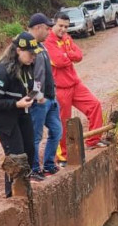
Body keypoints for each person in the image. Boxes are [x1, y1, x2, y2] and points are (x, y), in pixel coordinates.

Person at [43, 12, 106, 162]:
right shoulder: (48, 42)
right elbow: (59, 61)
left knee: (94, 105)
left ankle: (93, 141)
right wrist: (68, 54)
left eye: (66, 26)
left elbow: (79, 55)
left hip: (75, 83)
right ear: (53, 24)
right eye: (60, 26)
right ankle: (63, 156)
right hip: (60, 89)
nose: (63, 29)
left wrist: (67, 54)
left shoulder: (66, 38)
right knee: (63, 123)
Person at [0, 32, 38, 197]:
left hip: (22, 114)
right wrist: (16, 104)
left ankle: (24, 188)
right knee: (15, 156)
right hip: (5, 118)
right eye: (30, 53)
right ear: (18, 50)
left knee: (29, 150)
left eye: (35, 54)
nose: (33, 57)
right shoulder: (3, 70)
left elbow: (29, 87)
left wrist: (35, 96)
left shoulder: (26, 68)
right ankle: (12, 194)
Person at [26, 13, 62, 178]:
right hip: (40, 101)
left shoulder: (42, 46)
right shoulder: (30, 47)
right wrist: (38, 98)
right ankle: (34, 169)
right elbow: (34, 78)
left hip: (50, 99)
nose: (49, 31)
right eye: (47, 28)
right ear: (38, 27)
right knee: (36, 136)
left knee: (57, 130)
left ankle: (48, 164)